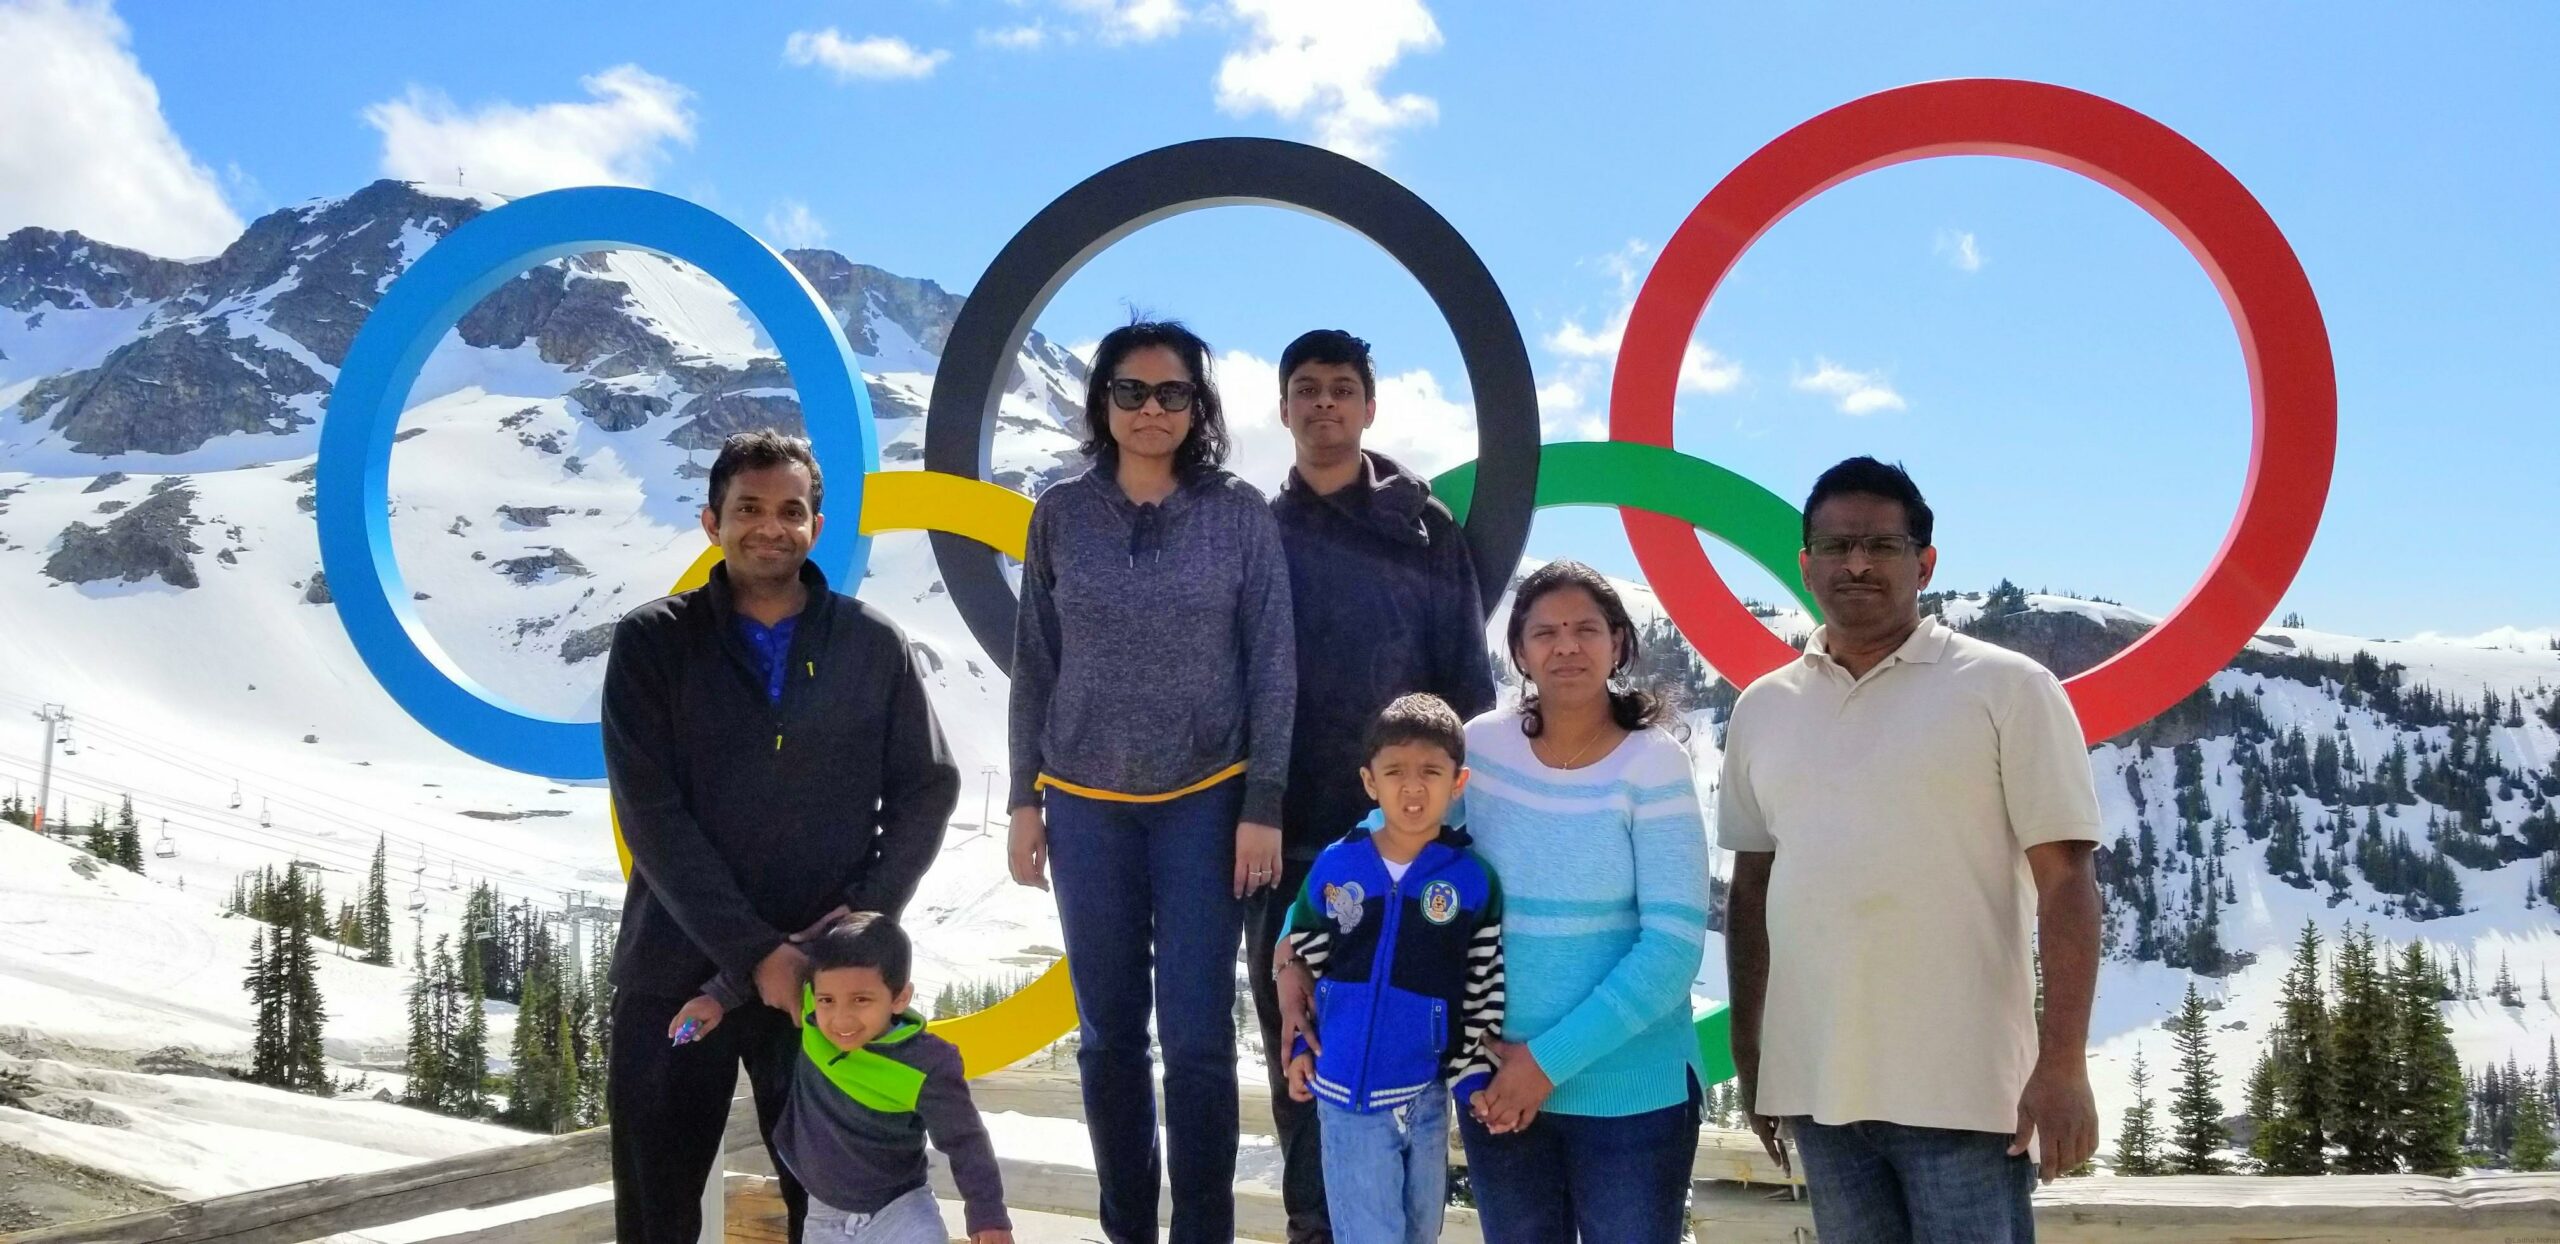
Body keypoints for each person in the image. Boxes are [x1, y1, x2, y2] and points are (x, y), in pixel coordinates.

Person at [1720, 457, 2104, 1243]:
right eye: (1834, 546)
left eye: (1881, 546)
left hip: (1963, 1095)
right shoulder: (1763, 709)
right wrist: (1754, 1057)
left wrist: (2063, 1064)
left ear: (1925, 563)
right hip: (1818, 1090)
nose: (1856, 564)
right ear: (1805, 563)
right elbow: (1753, 892)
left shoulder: (2009, 689)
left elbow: (2067, 882)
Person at [602, 429, 961, 1244]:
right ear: (710, 522)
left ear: (818, 525)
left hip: (823, 993)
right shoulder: (652, 642)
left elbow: (927, 789)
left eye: (791, 510)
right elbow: (650, 814)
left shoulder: (872, 644)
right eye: (749, 509)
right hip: (671, 970)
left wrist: (849, 935)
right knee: (655, 1213)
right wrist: (758, 953)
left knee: (833, 1211)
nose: (771, 527)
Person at [1004, 319, 1297, 1244]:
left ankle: (1202, 1233)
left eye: (1173, 393)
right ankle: (1127, 1229)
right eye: (1131, 391)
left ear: (1199, 407)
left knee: (1201, 1044)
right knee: (1109, 1040)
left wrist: (1263, 806)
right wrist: (1024, 797)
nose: (1151, 410)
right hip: (1085, 807)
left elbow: (1273, 664)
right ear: (1102, 402)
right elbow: (1035, 664)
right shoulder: (1059, 513)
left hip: (1206, 805)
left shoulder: (1240, 514)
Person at [1259, 329, 1497, 1244]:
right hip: (1285, 839)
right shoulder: (1256, 526)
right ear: (1282, 408)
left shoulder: (1425, 527)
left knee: (1417, 1047)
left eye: (1342, 388)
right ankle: (1312, 1228)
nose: (1324, 403)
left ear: (1369, 406)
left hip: (1409, 843)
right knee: (1302, 1044)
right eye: (1307, 389)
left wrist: (1453, 821)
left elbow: (1464, 680)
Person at [1451, 560, 1712, 1243]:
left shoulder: (1653, 763)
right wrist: (1298, 943)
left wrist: (1543, 1067)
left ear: (1619, 643)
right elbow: (1398, 849)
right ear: (1519, 651)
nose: (1566, 646)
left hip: (1631, 1093)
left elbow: (1672, 950)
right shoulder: (1478, 747)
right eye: (1546, 632)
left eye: (1586, 629)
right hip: (1498, 1086)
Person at [1281, 693, 1504, 1244]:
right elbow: (1305, 956)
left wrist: (1471, 1071)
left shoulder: (1472, 881)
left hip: (1427, 1093)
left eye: (1431, 771)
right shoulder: (1339, 865)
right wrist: (1298, 1050)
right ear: (1369, 781)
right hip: (1345, 1092)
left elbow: (1482, 983)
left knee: (1419, 1231)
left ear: (1458, 782)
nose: (1412, 787)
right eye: (1395, 771)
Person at [677, 916, 1013, 1243]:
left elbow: (965, 1141)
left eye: (861, 1000)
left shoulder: (928, 1064)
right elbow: (761, 975)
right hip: (824, 1215)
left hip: (899, 1211)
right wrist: (716, 999)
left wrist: (988, 1214)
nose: (841, 1019)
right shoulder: (812, 1015)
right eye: (827, 1000)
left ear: (900, 998)